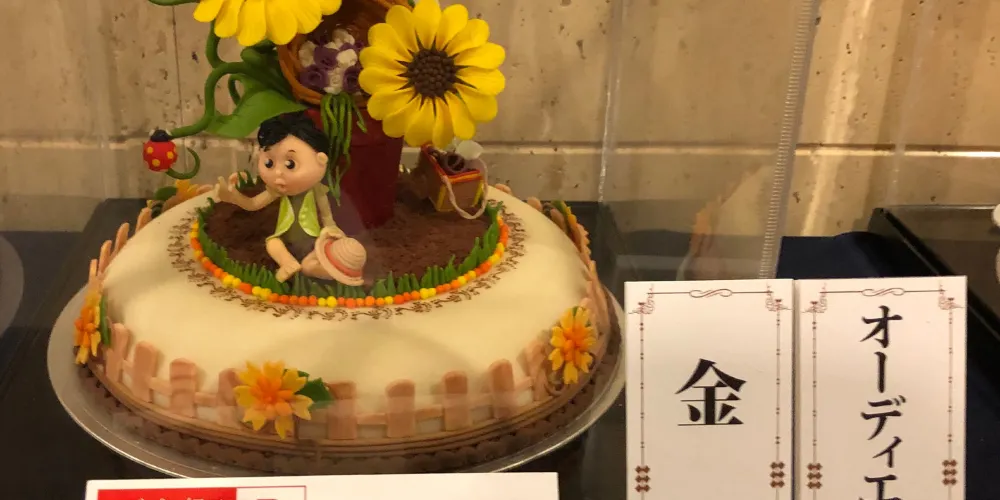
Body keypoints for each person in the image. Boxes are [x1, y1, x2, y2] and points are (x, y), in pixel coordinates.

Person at [215, 112, 364, 284]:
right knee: (272, 243)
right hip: (286, 239)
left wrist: (331, 227)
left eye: (290, 164)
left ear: (321, 160)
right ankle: (287, 263)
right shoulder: (276, 191)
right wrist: (234, 197)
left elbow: (327, 216)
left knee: (310, 264)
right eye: (269, 163)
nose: (278, 173)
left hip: (313, 240)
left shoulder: (316, 190)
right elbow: (253, 204)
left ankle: (326, 272)